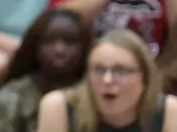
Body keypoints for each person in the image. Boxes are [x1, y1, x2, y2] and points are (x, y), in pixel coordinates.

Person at [34, 29, 177, 132]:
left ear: (145, 78)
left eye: (121, 70)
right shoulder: (59, 106)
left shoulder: (169, 110)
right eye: (99, 70)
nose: (107, 80)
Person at [0, 9, 90, 132]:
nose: (59, 50)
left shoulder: (96, 90)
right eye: (49, 41)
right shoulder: (14, 95)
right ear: (34, 47)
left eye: (69, 42)